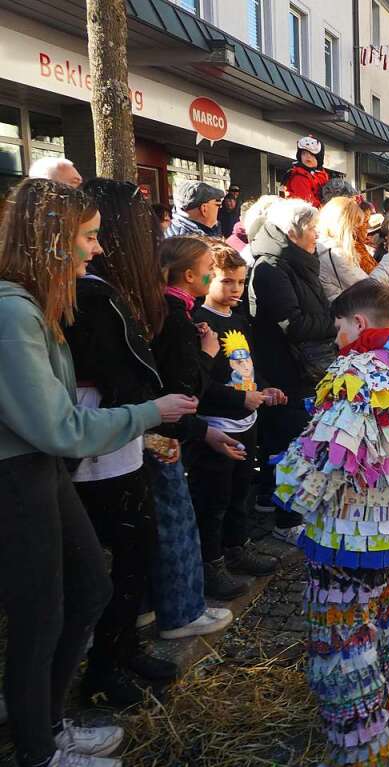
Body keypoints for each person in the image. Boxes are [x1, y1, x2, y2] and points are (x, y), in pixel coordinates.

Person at [0, 178, 196, 767]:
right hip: (18, 477)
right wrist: (148, 415)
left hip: (38, 473)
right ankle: (39, 746)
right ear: (54, 242)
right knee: (43, 613)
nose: (97, 249)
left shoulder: (33, 306)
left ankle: (42, 713)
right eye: (87, 237)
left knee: (87, 587)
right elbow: (57, 425)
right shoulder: (13, 314)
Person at [273, 279, 389, 767]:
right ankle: (387, 703)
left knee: (343, 645)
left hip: (349, 539)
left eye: (338, 327)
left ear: (358, 323)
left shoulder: (354, 374)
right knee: (381, 626)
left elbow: (326, 460)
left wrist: (286, 483)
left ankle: (364, 750)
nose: (335, 338)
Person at [67, 179, 179, 708]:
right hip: (97, 440)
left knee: (135, 548)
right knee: (125, 551)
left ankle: (121, 649)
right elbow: (120, 374)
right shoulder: (91, 292)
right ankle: (103, 668)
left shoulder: (99, 288)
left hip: (117, 433)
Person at [149, 236, 239, 638]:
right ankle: (182, 611)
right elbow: (186, 389)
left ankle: (153, 604)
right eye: (209, 269)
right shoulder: (175, 318)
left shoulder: (173, 311)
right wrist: (205, 352)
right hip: (166, 437)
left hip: (172, 432)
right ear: (191, 275)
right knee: (176, 523)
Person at [186, 241, 283, 600]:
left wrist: (264, 390)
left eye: (240, 282)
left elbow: (247, 368)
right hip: (216, 425)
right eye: (227, 281)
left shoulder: (241, 320)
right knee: (215, 498)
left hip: (247, 419)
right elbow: (201, 382)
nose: (235, 290)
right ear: (208, 277)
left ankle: (237, 548)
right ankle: (211, 564)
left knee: (241, 489)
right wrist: (240, 397)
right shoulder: (198, 321)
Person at [247, 199, 334, 541]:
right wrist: (334, 323)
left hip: (303, 370)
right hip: (286, 372)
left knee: (299, 442)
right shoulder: (271, 268)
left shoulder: (298, 263)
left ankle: (293, 508)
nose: (317, 235)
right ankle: (287, 520)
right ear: (293, 232)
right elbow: (293, 325)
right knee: (287, 446)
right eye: (312, 229)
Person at [317, 196, 389, 302]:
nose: (358, 230)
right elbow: (369, 289)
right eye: (356, 225)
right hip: (345, 313)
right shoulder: (335, 253)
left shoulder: (333, 249)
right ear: (345, 225)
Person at [282, 136, 329, 207]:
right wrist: (328, 209)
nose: (307, 156)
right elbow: (307, 201)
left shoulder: (321, 175)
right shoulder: (299, 176)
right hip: (304, 214)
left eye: (312, 154)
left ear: (319, 158)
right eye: (304, 153)